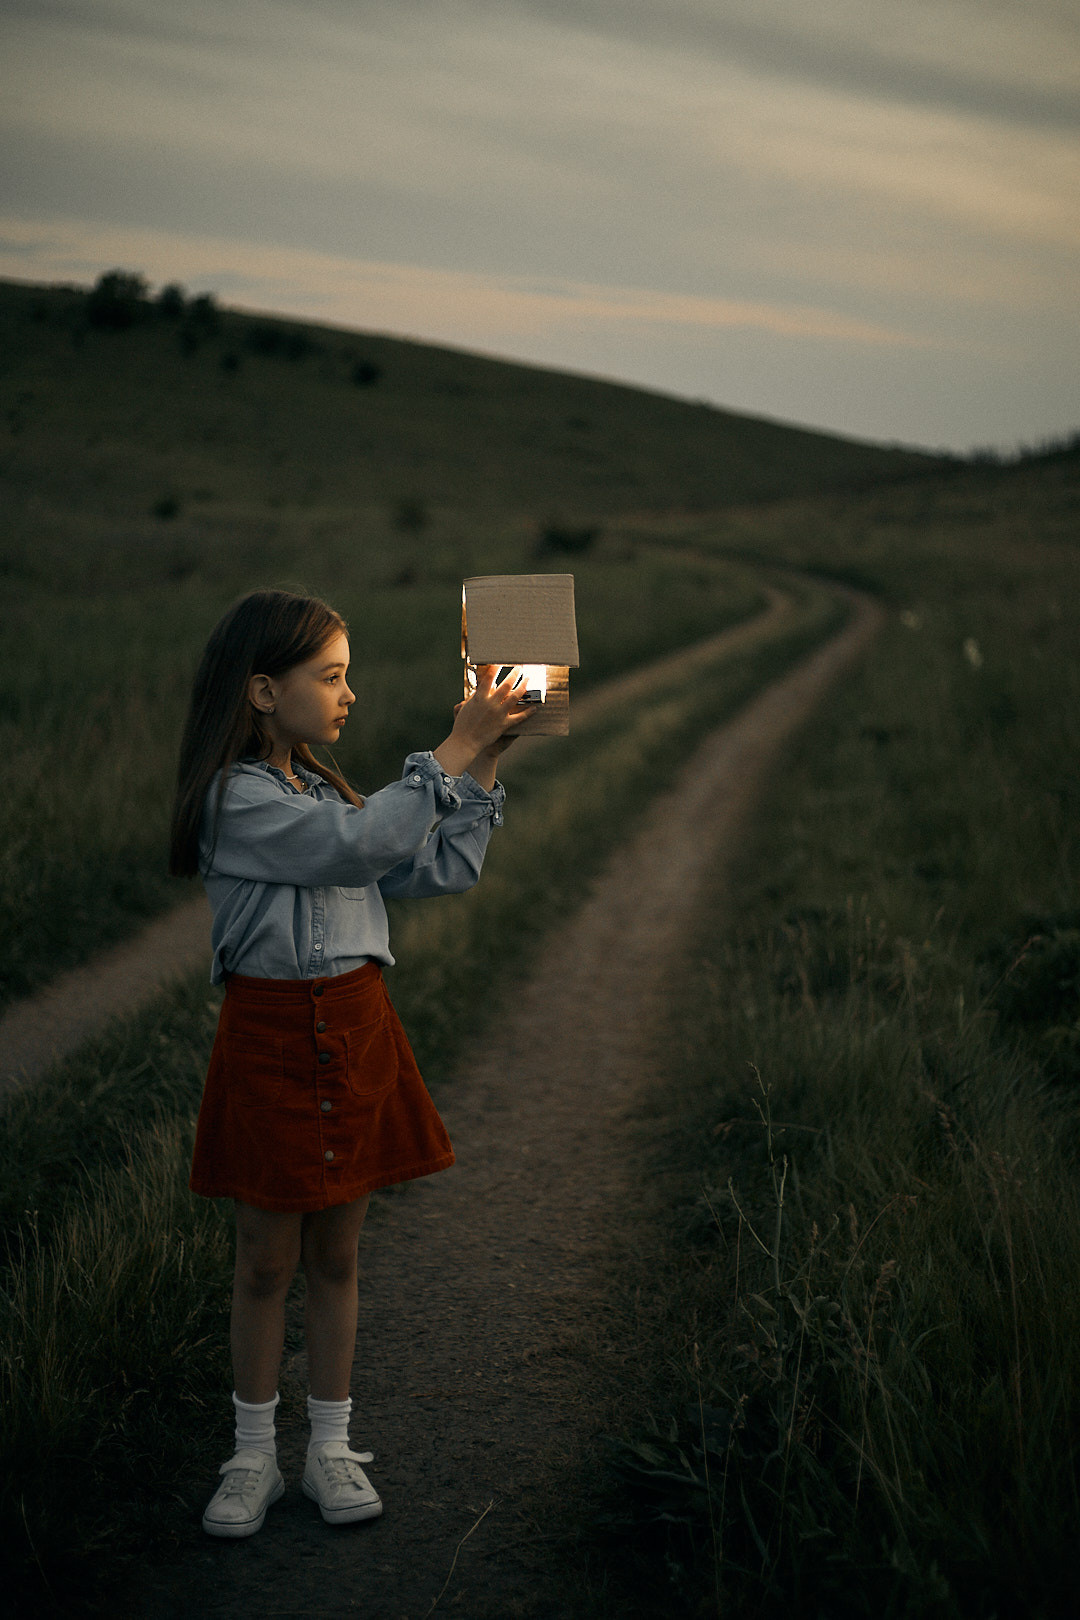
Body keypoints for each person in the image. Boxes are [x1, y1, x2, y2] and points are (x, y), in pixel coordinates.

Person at [168, 587, 529, 1538]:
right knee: (262, 1261)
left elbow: (429, 867)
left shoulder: (328, 787)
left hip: (358, 1025)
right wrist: (449, 750)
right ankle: (253, 1456)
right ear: (259, 690)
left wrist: (482, 764)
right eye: (330, 676)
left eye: (348, 675)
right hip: (274, 1035)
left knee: (337, 1255)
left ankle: (330, 1447)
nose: (349, 695)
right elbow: (356, 847)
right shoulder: (236, 798)